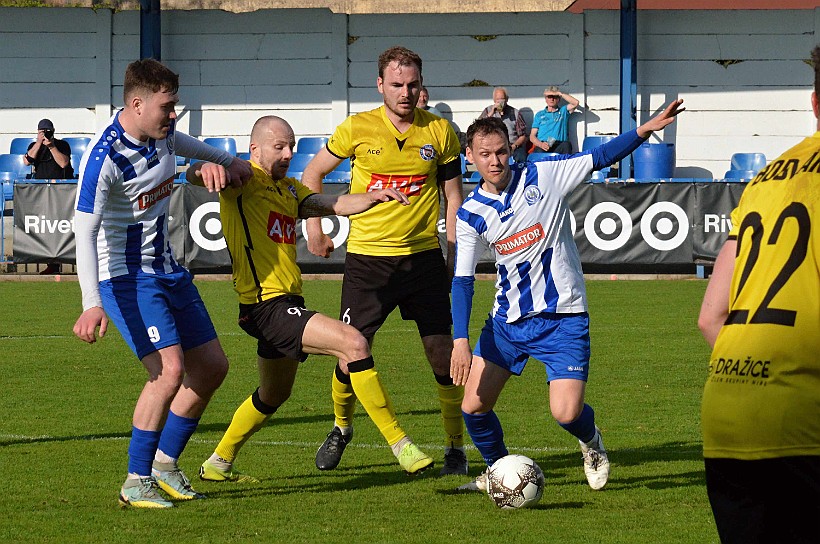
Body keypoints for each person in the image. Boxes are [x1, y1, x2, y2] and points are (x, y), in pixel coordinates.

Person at [451, 100, 684, 493]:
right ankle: (499, 473)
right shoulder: (471, 213)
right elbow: (462, 281)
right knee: (472, 407)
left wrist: (643, 131)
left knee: (566, 412)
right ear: (470, 157)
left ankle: (592, 443)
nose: (495, 162)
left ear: (513, 149)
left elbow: (599, 155)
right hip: (507, 323)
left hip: (563, 317)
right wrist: (460, 339)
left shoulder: (544, 175)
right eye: (485, 154)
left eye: (502, 152)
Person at [186, 115, 436, 480]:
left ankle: (218, 463)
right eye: (279, 146)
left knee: (273, 394)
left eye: (291, 146)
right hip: (265, 305)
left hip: (286, 304)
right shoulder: (243, 180)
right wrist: (204, 166)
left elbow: (330, 204)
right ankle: (401, 445)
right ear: (254, 149)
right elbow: (193, 174)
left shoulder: (288, 189)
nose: (289, 153)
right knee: (354, 344)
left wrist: (372, 197)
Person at [72, 58, 252, 509]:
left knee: (211, 368)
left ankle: (165, 466)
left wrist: (226, 161)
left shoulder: (164, 133)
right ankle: (136, 480)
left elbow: (187, 147)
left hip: (168, 270)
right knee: (168, 372)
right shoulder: (104, 158)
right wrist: (91, 302)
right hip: (127, 279)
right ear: (137, 103)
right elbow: (83, 233)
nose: (173, 116)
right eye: (167, 106)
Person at [302, 46, 467, 476]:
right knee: (349, 353)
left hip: (423, 260)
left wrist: (455, 252)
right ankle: (341, 427)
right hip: (368, 262)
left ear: (421, 84)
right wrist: (315, 228)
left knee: (441, 353)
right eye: (396, 85)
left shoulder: (442, 133)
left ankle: (455, 445)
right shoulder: (357, 128)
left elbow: (453, 198)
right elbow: (311, 175)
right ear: (380, 85)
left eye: (412, 84)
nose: (405, 92)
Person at [696, 46, 820, 544]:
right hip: (804, 421)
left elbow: (710, 316)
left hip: (729, 412)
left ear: (814, 102)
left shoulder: (765, 178)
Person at [479, 87, 528, 163]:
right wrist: (491, 113)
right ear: (494, 100)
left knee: (520, 157)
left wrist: (514, 146)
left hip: (512, 145)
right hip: (492, 146)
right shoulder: (488, 111)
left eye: (502, 99)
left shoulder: (515, 113)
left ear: (507, 99)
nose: (500, 102)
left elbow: (523, 136)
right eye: (498, 100)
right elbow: (478, 127)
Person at [529, 86, 580, 155]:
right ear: (546, 99)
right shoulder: (539, 114)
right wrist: (541, 144)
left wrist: (560, 94)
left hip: (559, 144)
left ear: (558, 99)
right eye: (549, 97)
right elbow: (532, 136)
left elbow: (575, 103)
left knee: (567, 145)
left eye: (555, 97)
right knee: (538, 152)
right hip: (544, 144)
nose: (552, 99)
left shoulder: (563, 111)